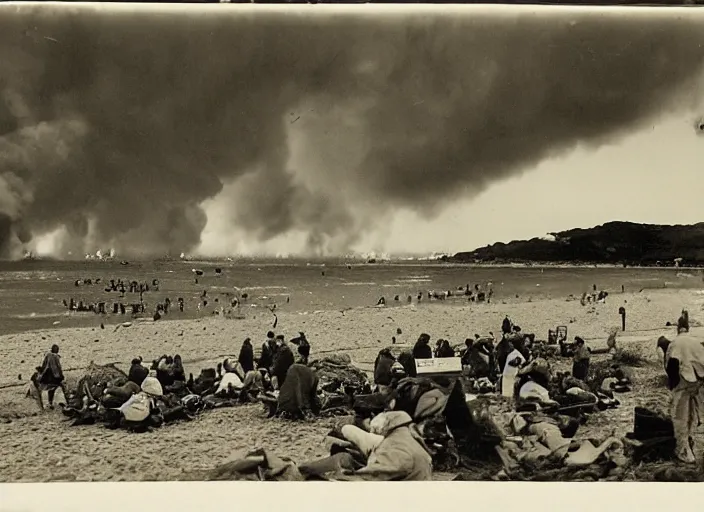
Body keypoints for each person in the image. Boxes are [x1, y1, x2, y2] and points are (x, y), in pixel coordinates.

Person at [665, 317, 704, 463]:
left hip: (682, 382)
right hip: (697, 382)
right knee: (693, 414)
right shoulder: (695, 342)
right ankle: (691, 439)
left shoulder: (674, 343)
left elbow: (671, 365)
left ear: (677, 329)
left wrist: (672, 385)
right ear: (688, 328)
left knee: (680, 417)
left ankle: (683, 450)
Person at [38, 344, 68, 409]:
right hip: (56, 376)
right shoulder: (56, 357)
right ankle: (67, 402)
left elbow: (44, 365)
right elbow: (58, 367)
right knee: (63, 387)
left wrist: (41, 373)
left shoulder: (48, 355)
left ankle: (50, 403)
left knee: (51, 390)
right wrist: (61, 375)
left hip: (48, 376)